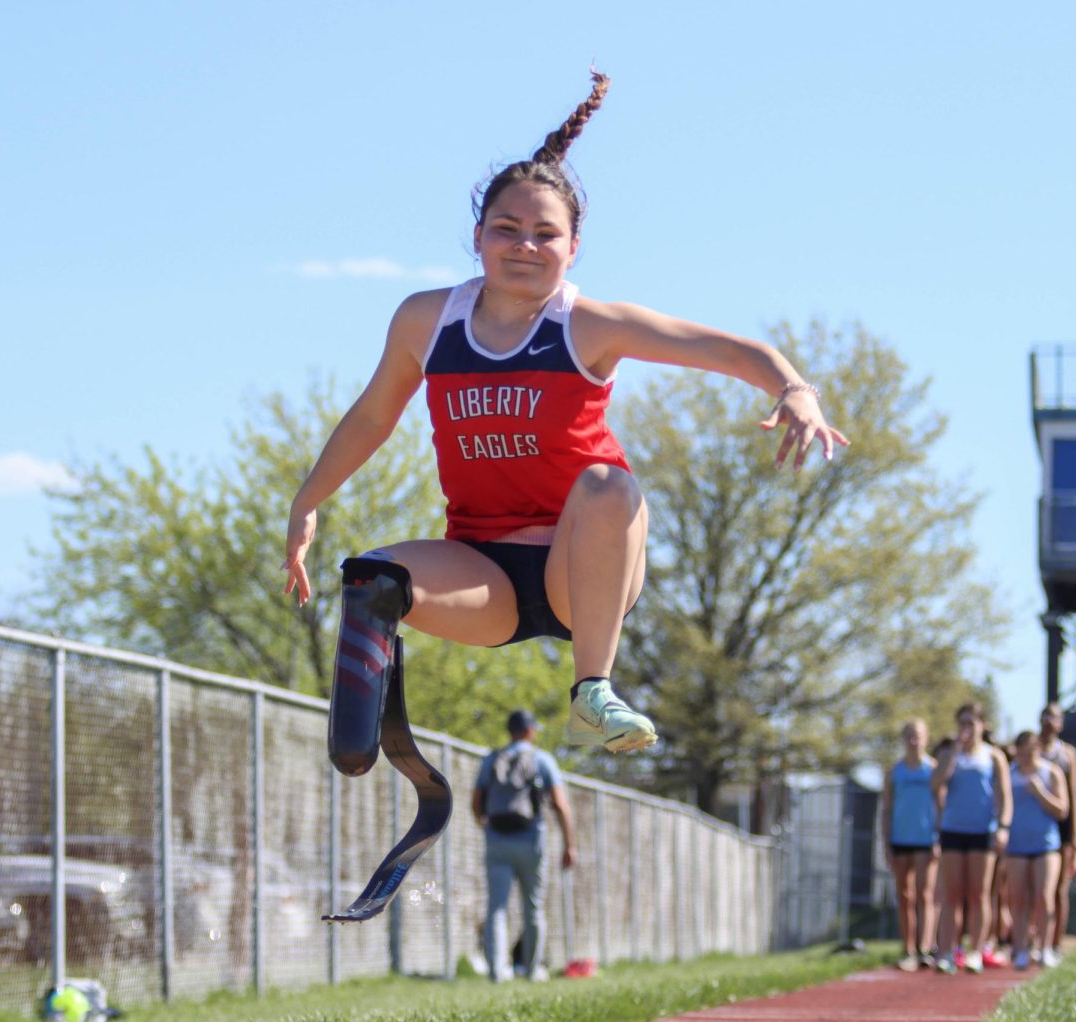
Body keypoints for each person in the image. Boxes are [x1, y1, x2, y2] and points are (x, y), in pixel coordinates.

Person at [282, 70, 848, 755]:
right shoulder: (427, 321)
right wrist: (308, 501)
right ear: (478, 235)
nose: (524, 245)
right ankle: (356, 747)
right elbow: (373, 416)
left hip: (582, 569)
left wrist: (793, 387)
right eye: (507, 229)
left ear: (573, 247)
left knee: (610, 483)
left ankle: (594, 693)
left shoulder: (587, 326)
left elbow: (728, 350)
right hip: (480, 570)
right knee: (370, 578)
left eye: (544, 234)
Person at [470, 708, 575, 982]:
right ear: (529, 731)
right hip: (532, 841)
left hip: (497, 840)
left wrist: (486, 827)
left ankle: (496, 972)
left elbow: (476, 802)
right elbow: (561, 806)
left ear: (510, 731)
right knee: (533, 907)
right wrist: (569, 845)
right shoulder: (542, 760)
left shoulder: (492, 759)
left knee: (497, 908)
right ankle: (531, 970)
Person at [930, 703, 1012, 974]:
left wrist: (1003, 826)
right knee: (951, 894)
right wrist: (952, 754)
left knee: (979, 894)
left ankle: (976, 951)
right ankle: (946, 952)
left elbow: (1005, 796)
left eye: (972, 722)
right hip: (953, 829)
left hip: (982, 832)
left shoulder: (994, 756)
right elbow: (935, 786)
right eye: (962, 722)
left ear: (982, 725)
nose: (967, 727)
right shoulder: (949, 754)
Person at [1004, 730, 1068, 969]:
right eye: (1021, 753)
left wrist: (1041, 792)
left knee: (1044, 896)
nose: (1025, 757)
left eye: (1030, 752)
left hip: (1046, 844)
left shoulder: (1051, 772)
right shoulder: (1010, 774)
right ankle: (1020, 949)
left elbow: (1062, 810)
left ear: (1038, 750)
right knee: (1018, 898)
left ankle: (1045, 948)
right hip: (1016, 845)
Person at [880, 719, 939, 971]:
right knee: (905, 896)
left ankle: (926, 947)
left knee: (925, 894)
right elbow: (886, 809)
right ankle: (908, 948)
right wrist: (886, 843)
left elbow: (942, 805)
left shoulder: (934, 769)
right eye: (909, 736)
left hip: (926, 840)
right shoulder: (894, 773)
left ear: (926, 738)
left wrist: (939, 837)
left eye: (918, 736)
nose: (913, 741)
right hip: (900, 839)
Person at [1037, 702, 1076, 963]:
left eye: (1054, 717)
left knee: (1058, 888)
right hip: (1033, 825)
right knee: (1034, 887)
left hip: (1061, 827)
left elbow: (1074, 796)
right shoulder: (1030, 750)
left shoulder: (1067, 754)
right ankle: (1033, 940)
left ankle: (1055, 943)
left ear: (1061, 723)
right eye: (1045, 716)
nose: (1049, 722)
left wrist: (1075, 840)